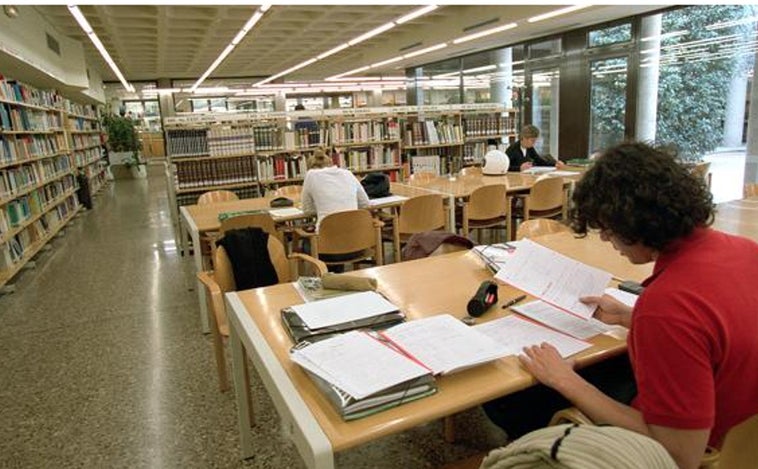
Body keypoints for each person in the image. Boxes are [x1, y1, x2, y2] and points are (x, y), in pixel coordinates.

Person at [485, 142, 758, 469]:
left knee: (509, 396)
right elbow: (714, 328)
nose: (604, 239)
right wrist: (633, 317)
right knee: (603, 362)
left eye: (608, 229)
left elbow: (679, 456)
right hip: (737, 422)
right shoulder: (744, 250)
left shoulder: (668, 305)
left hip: (701, 448)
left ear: (635, 224)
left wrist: (565, 381)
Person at [300, 148, 369, 232]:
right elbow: (365, 203)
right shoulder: (348, 173)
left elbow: (307, 210)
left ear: (310, 167)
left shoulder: (311, 175)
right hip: (355, 235)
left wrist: (322, 206)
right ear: (331, 163)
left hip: (327, 237)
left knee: (307, 238)